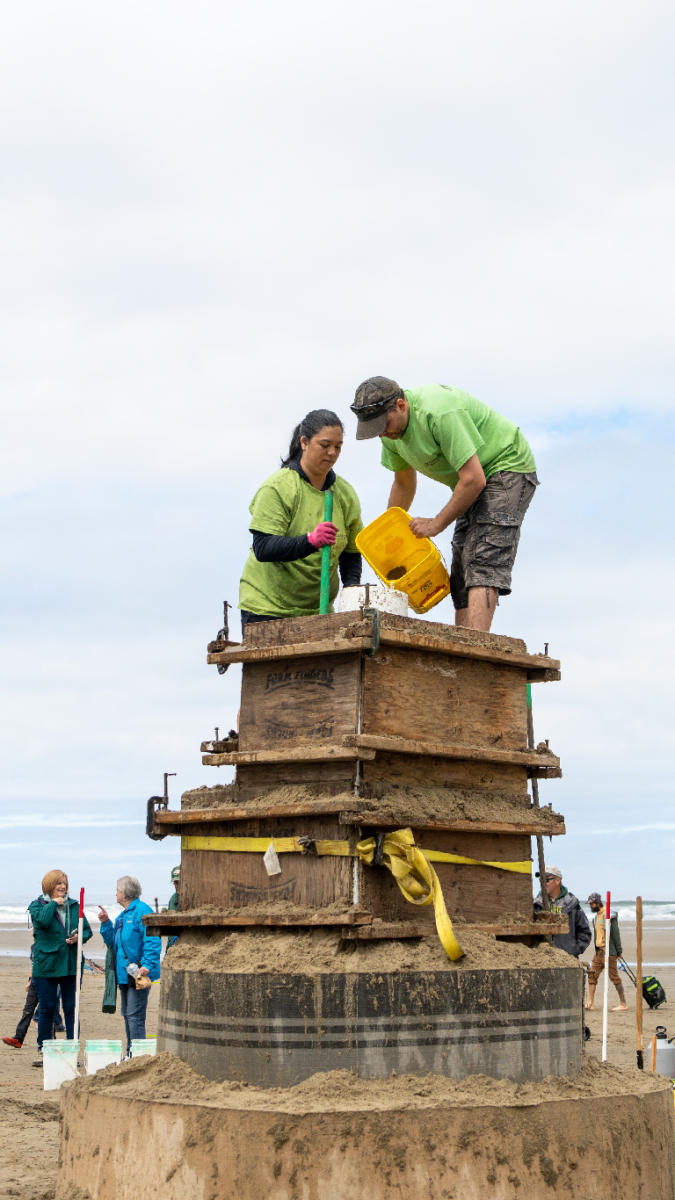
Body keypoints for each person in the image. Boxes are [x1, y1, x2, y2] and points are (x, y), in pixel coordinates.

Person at [350, 378, 537, 631]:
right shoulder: (389, 435)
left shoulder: (438, 412)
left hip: (505, 466)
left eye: (383, 424)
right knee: (461, 564)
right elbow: (404, 483)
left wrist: (436, 523)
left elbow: (474, 479)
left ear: (401, 405)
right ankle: (461, 645)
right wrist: (390, 533)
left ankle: (476, 648)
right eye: (374, 429)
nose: (381, 433)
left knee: (483, 556)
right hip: (470, 481)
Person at [238, 409, 363, 633]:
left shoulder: (345, 493)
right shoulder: (279, 487)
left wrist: (351, 591)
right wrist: (311, 541)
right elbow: (263, 548)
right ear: (304, 442)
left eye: (338, 446)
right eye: (325, 445)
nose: (332, 453)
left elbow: (352, 552)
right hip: (268, 609)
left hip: (319, 613)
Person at [28, 869, 93, 1066]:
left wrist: (77, 938)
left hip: (70, 965)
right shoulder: (37, 905)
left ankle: (72, 1048)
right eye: (58, 883)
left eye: (64, 883)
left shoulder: (74, 905)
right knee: (47, 1008)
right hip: (46, 966)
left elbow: (87, 931)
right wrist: (53, 905)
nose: (62, 887)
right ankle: (43, 1050)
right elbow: (42, 922)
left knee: (71, 1008)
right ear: (49, 886)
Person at [98, 876, 160, 1054]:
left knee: (134, 1016)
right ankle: (131, 1052)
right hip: (124, 974)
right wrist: (105, 923)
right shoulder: (122, 916)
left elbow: (153, 940)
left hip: (139, 973)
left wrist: (147, 965)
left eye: (117, 889)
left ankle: (137, 1055)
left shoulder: (142, 911)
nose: (115, 893)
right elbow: (113, 942)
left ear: (125, 893)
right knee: (127, 1015)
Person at [2, 942, 65, 1050]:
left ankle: (51, 1039)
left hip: (48, 980)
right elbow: (34, 964)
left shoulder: (52, 944)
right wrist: (30, 980)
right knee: (27, 1010)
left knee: (48, 1010)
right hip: (35, 980)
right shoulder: (34, 946)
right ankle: (18, 1038)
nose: (33, 930)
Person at [533, 866, 591, 958]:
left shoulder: (572, 904)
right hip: (542, 960)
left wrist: (574, 950)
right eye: (541, 880)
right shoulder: (536, 905)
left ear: (557, 880)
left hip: (567, 960)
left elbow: (584, 931)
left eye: (546, 880)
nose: (543, 884)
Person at [585, 892, 627, 1011]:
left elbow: (615, 933)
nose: (590, 906)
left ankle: (623, 1003)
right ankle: (590, 1003)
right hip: (599, 952)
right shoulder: (596, 917)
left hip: (609, 952)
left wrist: (618, 951)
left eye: (592, 904)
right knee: (592, 975)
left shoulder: (608, 915)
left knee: (614, 977)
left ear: (598, 903)